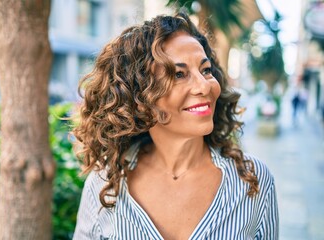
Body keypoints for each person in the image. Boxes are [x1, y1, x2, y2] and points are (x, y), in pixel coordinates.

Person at [73, 12, 279, 240]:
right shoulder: (105, 184)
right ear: (141, 99)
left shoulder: (252, 180)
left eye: (206, 70)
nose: (204, 86)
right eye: (179, 74)